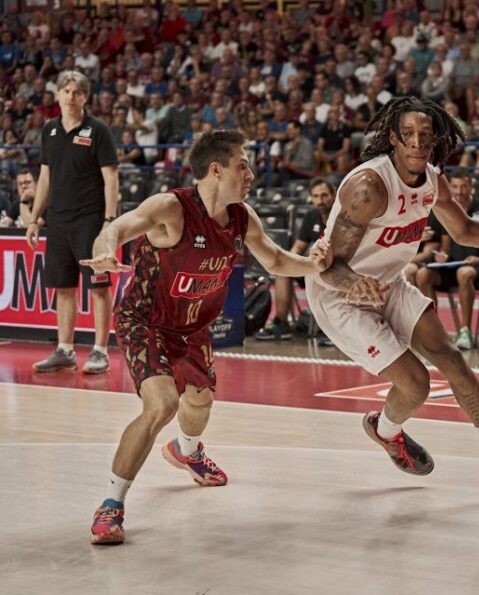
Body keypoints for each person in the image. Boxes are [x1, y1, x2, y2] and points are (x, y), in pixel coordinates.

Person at [82, 129, 331, 545]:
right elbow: (119, 227)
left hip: (192, 328)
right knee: (162, 404)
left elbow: (274, 259)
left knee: (199, 401)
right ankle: (111, 503)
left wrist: (314, 265)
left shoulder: (241, 216)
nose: (250, 173)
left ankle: (187, 451)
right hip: (146, 320)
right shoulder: (171, 207)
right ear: (216, 170)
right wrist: (107, 251)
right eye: (243, 164)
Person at [305, 96, 479, 504]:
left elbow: (464, 230)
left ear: (435, 140)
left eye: (425, 136)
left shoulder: (433, 180)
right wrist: (352, 283)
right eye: (408, 136)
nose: (417, 143)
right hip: (341, 296)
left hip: (388, 283)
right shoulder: (369, 188)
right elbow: (328, 265)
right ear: (393, 140)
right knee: (416, 384)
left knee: (452, 358)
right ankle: (386, 432)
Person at [25, 70, 119, 375]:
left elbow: (111, 178)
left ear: (85, 97)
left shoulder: (98, 130)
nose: (71, 97)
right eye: (65, 91)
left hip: (90, 220)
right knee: (63, 288)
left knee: (98, 288)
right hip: (58, 221)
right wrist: (36, 219)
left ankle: (100, 351)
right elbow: (45, 178)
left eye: (77, 92)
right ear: (58, 95)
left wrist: (109, 221)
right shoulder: (49, 130)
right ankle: (65, 350)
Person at [415, 170, 479, 351]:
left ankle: (465, 331)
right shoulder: (446, 212)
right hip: (451, 267)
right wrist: (442, 256)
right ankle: (435, 330)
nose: (459, 191)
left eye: (464, 186)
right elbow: (446, 245)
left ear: (471, 187)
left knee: (464, 273)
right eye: (455, 186)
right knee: (423, 274)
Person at [255, 177, 335, 340]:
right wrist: (289, 262)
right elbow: (298, 247)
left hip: (334, 268)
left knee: (329, 274)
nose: (320, 200)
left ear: (333, 195)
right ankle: (281, 323)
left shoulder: (341, 216)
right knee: (283, 272)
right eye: (316, 196)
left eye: (324, 195)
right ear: (311, 198)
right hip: (312, 267)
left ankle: (332, 329)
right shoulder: (310, 216)